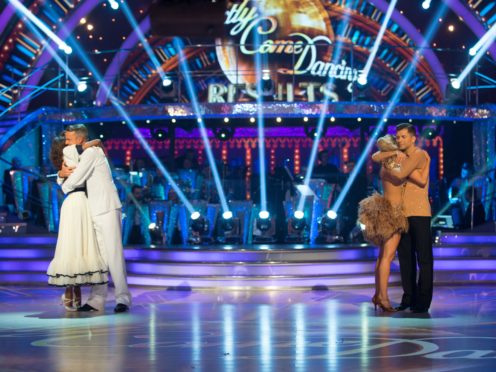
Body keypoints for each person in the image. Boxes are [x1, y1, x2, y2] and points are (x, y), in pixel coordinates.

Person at [58, 124, 131, 313]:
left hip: (106, 207)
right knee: (100, 258)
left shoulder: (93, 153)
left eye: (69, 139)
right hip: (93, 209)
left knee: (113, 255)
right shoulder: (84, 153)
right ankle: (97, 300)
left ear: (80, 139)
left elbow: (76, 178)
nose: (66, 143)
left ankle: (122, 298)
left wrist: (65, 185)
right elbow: (68, 169)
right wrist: (60, 175)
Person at [359, 134, 429, 312]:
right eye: (397, 142)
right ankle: (383, 297)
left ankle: (377, 294)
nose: (400, 143)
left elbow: (376, 156)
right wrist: (424, 164)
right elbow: (420, 180)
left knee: (382, 257)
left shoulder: (385, 163)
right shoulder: (395, 164)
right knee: (387, 258)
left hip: (385, 211)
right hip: (393, 214)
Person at [47, 137, 108, 311]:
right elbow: (95, 141)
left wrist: (60, 175)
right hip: (78, 202)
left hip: (78, 202)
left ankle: (73, 291)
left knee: (76, 245)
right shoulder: (71, 153)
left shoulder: (75, 154)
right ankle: (72, 290)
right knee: (76, 245)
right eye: (67, 140)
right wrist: (60, 174)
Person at [385, 123, 433, 313]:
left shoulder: (419, 154)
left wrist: (396, 163)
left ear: (413, 138)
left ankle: (422, 301)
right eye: (398, 137)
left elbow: (400, 174)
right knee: (405, 258)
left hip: (420, 212)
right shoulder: (402, 157)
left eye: (403, 136)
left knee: (424, 258)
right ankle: (408, 298)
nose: (399, 140)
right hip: (402, 213)